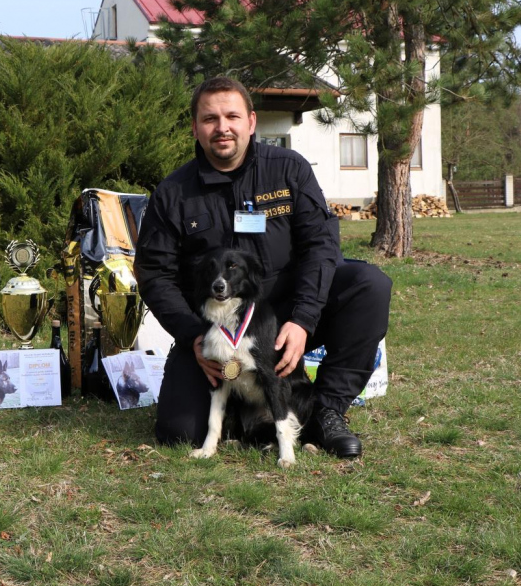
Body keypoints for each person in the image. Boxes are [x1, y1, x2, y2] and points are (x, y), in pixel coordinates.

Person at [134, 76, 391, 458]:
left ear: (251, 122)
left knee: (369, 284)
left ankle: (326, 411)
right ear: (194, 127)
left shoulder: (290, 170)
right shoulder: (173, 194)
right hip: (217, 327)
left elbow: (321, 246)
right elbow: (155, 274)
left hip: (286, 313)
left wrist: (303, 319)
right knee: (178, 432)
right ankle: (243, 413)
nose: (222, 127)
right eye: (210, 119)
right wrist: (195, 337)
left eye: (232, 116)